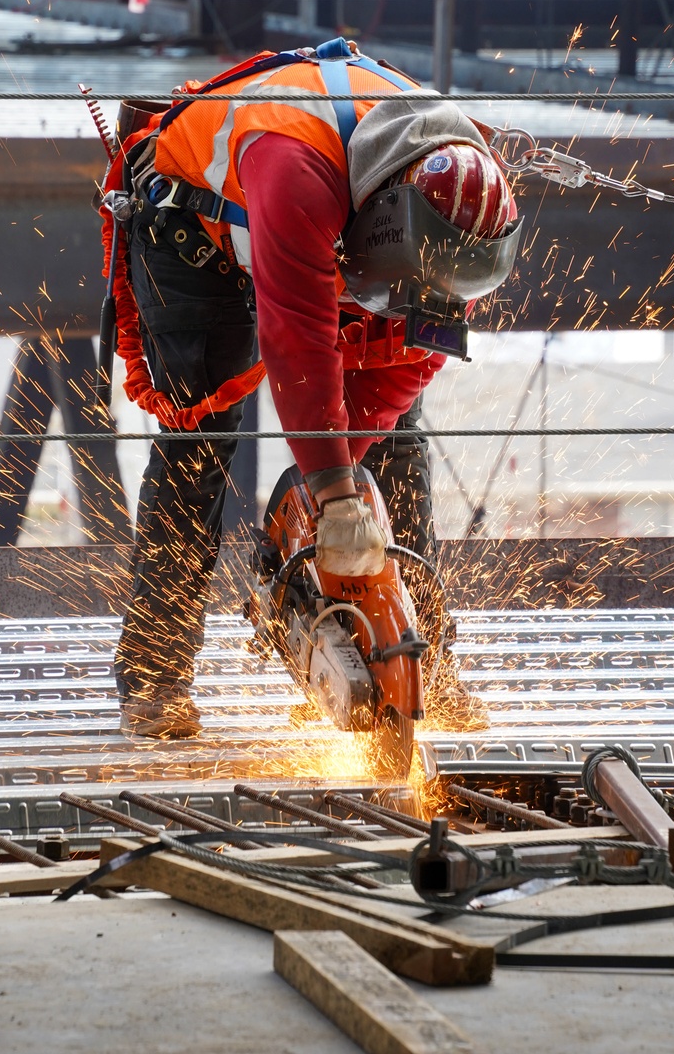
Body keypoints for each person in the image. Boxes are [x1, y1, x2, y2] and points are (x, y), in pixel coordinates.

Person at [98, 39, 519, 740]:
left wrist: (338, 485)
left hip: (335, 222)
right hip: (194, 231)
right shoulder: (295, 165)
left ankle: (427, 667)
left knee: (397, 445)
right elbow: (299, 345)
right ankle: (155, 676)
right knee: (197, 442)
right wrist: (334, 494)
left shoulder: (467, 210)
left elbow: (416, 354)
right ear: (391, 231)